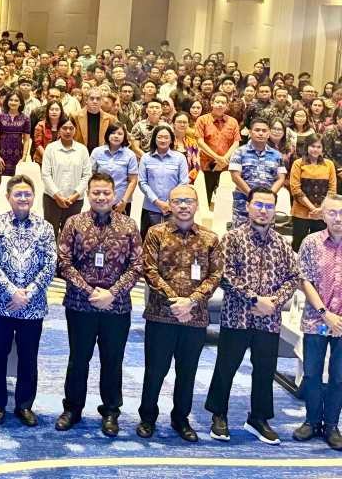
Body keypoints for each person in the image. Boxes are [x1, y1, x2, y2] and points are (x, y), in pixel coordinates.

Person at [204, 187, 301, 445]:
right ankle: (219, 414)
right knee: (226, 366)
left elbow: (293, 277)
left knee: (265, 370)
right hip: (237, 316)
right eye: (258, 204)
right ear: (248, 206)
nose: (263, 211)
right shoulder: (233, 238)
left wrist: (274, 302)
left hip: (269, 319)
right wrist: (255, 299)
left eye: (269, 206)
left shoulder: (282, 243)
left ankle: (258, 418)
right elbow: (224, 275)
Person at [55, 172, 143, 438]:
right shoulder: (74, 223)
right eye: (96, 192)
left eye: (106, 192)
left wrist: (112, 293)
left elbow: (137, 266)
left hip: (116, 307)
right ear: (88, 194)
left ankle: (111, 412)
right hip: (80, 305)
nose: (101, 197)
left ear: (114, 195)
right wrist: (90, 291)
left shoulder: (129, 225)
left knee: (112, 361)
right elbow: (64, 263)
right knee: (78, 359)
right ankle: (72, 409)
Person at [136, 184, 223, 442]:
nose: (183, 206)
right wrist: (176, 302)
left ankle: (181, 419)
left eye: (188, 201)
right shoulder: (156, 233)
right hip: (161, 315)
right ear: (169, 205)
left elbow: (216, 275)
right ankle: (147, 418)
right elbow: (149, 270)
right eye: (177, 201)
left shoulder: (210, 238)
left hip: (194, 318)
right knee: (155, 371)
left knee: (187, 372)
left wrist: (191, 302)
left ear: (197, 205)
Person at [0, 175, 56, 427]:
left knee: (28, 358)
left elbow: (50, 265)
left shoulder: (45, 227)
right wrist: (12, 291)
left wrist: (27, 293)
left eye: (27, 194)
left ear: (34, 197)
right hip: (1, 303)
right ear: (8, 197)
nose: (23, 198)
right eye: (18, 194)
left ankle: (24, 405)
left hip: (32, 306)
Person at [295, 194, 342, 450]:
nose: (338, 218)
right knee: (312, 373)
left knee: (339, 377)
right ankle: (312, 421)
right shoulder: (311, 242)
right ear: (323, 215)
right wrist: (326, 314)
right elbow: (304, 281)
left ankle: (332, 425)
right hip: (317, 319)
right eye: (332, 212)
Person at [229, 117, 287, 226]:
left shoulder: (277, 155)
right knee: (240, 235)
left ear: (269, 133)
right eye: (257, 130)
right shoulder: (239, 152)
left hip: (267, 208)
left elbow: (281, 178)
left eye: (264, 131)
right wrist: (253, 196)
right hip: (243, 206)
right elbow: (235, 177)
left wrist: (268, 196)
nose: (261, 133)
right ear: (250, 132)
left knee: (266, 235)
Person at [40, 117, 92, 239]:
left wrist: (75, 196)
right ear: (59, 129)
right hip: (52, 199)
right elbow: (46, 174)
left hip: (75, 201)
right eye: (64, 128)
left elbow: (87, 175)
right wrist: (57, 196)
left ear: (75, 130)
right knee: (50, 235)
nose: (68, 131)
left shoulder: (82, 150)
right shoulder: (51, 148)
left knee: (70, 235)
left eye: (71, 128)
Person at [137, 125, 191, 239]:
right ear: (154, 139)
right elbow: (142, 182)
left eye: (166, 137)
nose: (163, 140)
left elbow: (183, 182)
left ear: (171, 140)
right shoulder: (146, 158)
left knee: (173, 242)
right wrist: (157, 202)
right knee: (148, 241)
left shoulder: (180, 158)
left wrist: (169, 202)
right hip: (150, 208)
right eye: (159, 137)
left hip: (174, 208)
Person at [194, 93, 241, 210]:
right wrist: (217, 158)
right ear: (212, 103)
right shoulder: (202, 120)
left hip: (226, 167)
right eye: (217, 102)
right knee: (205, 200)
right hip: (207, 167)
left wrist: (224, 159)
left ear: (227, 105)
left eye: (223, 102)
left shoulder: (233, 121)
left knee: (225, 201)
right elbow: (200, 141)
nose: (220, 105)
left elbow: (236, 143)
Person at [290, 135, 337, 251]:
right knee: (298, 245)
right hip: (300, 213)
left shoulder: (329, 164)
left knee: (320, 247)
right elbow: (296, 189)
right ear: (306, 147)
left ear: (323, 148)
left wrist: (321, 209)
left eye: (318, 147)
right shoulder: (298, 163)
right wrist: (313, 209)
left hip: (322, 214)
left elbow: (332, 190)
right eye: (312, 146)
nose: (315, 149)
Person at [90, 123, 139, 215]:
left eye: (120, 134)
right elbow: (90, 176)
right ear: (108, 134)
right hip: (100, 200)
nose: (116, 136)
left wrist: (124, 201)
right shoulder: (97, 152)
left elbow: (133, 181)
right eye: (113, 133)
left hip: (121, 202)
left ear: (124, 136)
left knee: (122, 224)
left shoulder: (130, 155)